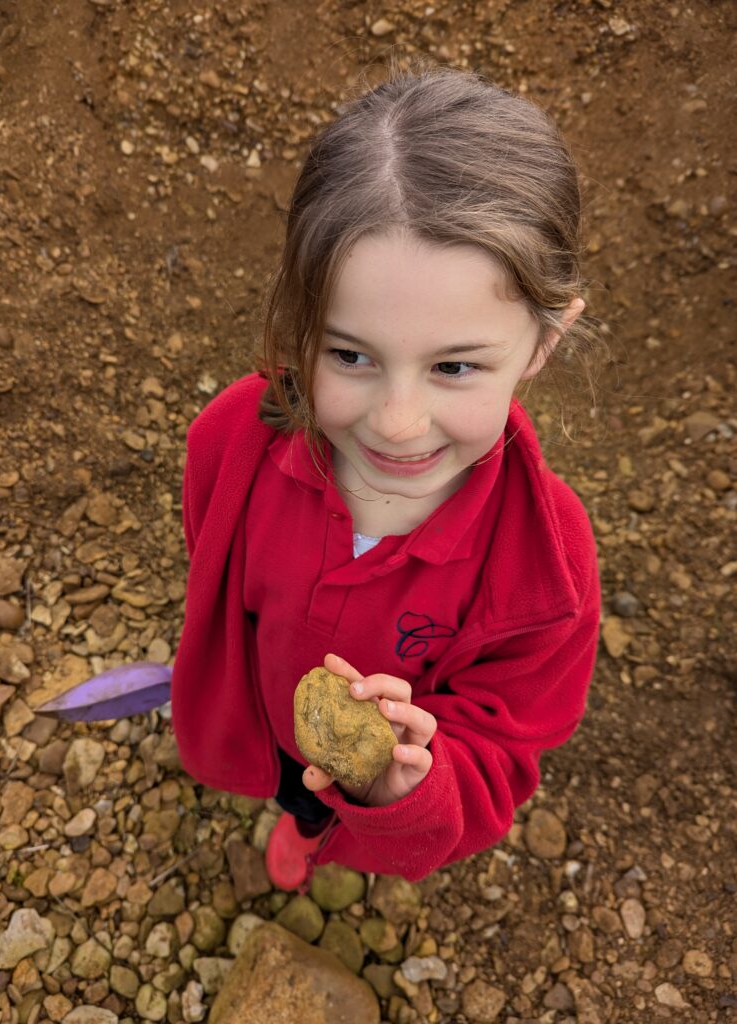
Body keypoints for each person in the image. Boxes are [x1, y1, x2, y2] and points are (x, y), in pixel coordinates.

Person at [171, 66, 601, 889]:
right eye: (350, 355)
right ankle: (291, 806)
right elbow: (212, 575)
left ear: (543, 341)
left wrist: (416, 783)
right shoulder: (232, 441)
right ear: (303, 314)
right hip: (261, 715)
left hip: (371, 777)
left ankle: (314, 832)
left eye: (454, 366)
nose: (396, 421)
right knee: (289, 780)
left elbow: (503, 749)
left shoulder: (548, 567)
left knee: (322, 800)